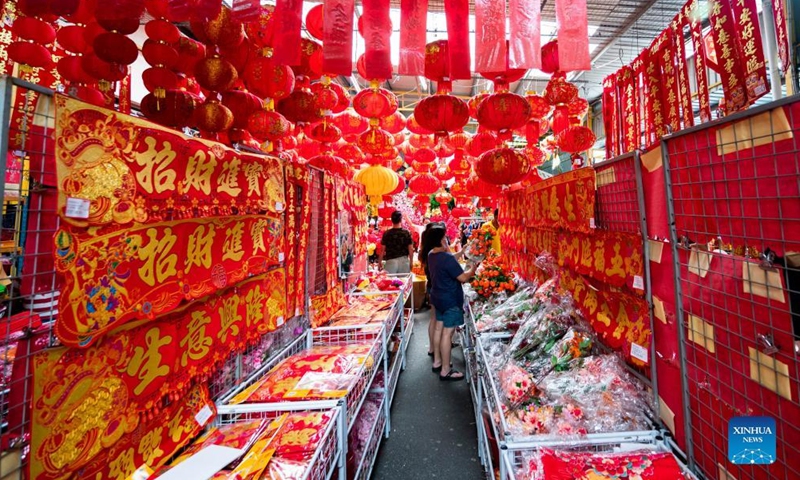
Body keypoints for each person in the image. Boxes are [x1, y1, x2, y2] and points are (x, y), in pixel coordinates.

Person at [427, 227, 480, 381]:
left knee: (439, 329)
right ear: (440, 240)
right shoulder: (447, 258)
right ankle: (445, 370)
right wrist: (472, 269)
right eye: (444, 238)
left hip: (437, 297)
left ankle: (437, 361)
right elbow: (463, 278)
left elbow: (448, 260)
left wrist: (460, 251)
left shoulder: (432, 255)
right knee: (447, 334)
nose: (447, 241)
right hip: (450, 299)